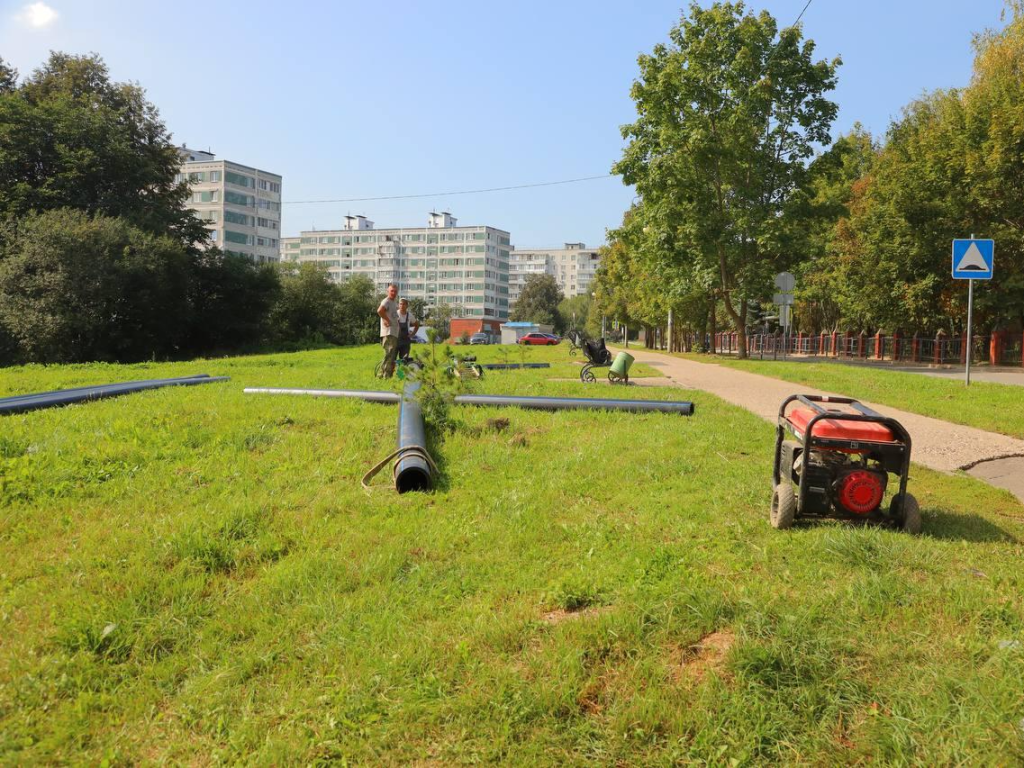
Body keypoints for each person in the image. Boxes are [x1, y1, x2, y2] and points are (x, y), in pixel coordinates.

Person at [377, 283, 400, 377]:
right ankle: (383, 374)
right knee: (389, 354)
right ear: (388, 291)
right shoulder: (386, 301)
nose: (394, 293)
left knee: (391, 355)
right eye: (392, 291)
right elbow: (379, 311)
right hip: (388, 332)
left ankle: (386, 374)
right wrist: (386, 320)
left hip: (393, 332)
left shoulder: (393, 302)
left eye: (395, 291)